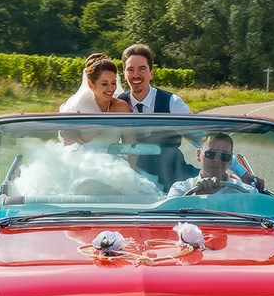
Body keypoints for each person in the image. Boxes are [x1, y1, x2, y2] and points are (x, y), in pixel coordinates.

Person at [119, 43, 263, 191]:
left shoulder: (172, 103)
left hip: (174, 179)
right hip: (135, 183)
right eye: (130, 70)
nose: (136, 75)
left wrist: (242, 173)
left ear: (151, 73)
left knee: (220, 189)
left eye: (142, 69)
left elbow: (205, 141)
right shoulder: (117, 104)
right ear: (124, 73)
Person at [167, 132, 259, 197]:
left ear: (230, 160)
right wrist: (196, 198)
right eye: (210, 154)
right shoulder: (180, 190)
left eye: (224, 156)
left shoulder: (248, 193)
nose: (217, 160)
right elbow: (171, 222)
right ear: (199, 155)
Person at [59, 53, 133, 114]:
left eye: (113, 83)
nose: (111, 88)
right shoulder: (77, 109)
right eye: (104, 84)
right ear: (90, 84)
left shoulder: (121, 107)